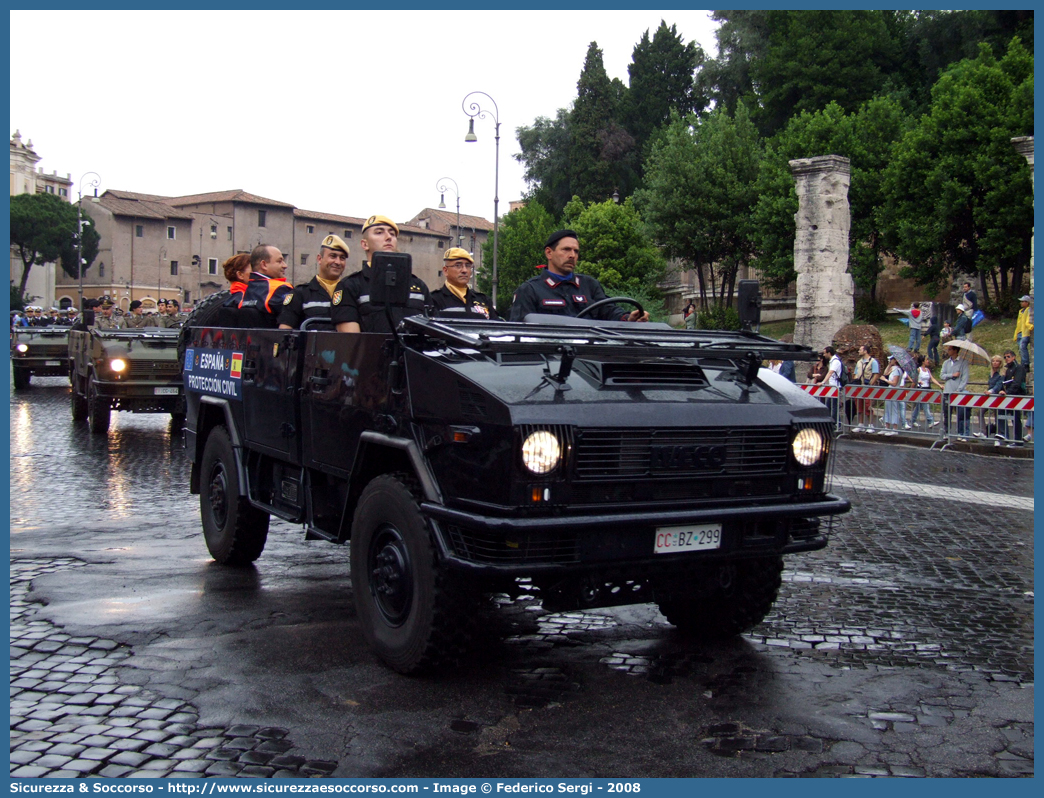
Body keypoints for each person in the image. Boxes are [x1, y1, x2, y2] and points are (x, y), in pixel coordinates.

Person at [508, 229, 650, 323]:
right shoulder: (530, 290)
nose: (572, 255)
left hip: (590, 358)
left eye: (576, 251)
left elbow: (609, 312)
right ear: (549, 253)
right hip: (551, 360)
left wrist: (628, 318)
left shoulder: (590, 285)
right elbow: (519, 334)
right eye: (566, 250)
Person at [332, 215, 430, 333]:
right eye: (379, 232)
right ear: (365, 244)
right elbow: (351, 341)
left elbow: (434, 330)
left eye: (392, 234)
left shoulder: (418, 286)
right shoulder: (350, 286)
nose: (388, 237)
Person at [279, 234, 350, 330]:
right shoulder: (300, 294)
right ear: (319, 259)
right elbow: (285, 330)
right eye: (333, 256)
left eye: (342, 258)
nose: (338, 262)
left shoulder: (350, 292)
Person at [429, 247, 499, 320]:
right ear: (445, 270)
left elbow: (497, 327)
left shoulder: (483, 300)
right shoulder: (434, 300)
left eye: (468, 266)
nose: (464, 270)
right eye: (458, 265)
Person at [239, 245, 294, 328]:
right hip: (274, 338)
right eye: (279, 261)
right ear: (264, 265)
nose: (285, 265)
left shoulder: (246, 290)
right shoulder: (280, 288)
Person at [932, 345, 970, 440]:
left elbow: (964, 378)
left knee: (960, 413)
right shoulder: (946, 363)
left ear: (955, 350)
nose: (948, 351)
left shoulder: (963, 363)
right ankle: (947, 432)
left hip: (958, 392)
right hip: (947, 391)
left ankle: (961, 433)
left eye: (950, 349)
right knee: (947, 413)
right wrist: (952, 375)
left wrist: (959, 389)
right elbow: (942, 375)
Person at [998, 349, 1028, 446]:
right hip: (1009, 395)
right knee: (1003, 413)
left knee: (1016, 418)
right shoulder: (1008, 369)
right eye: (1005, 357)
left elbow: (1017, 382)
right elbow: (1006, 382)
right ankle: (1004, 434)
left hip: (1017, 395)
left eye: (1008, 356)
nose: (1006, 359)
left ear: (1013, 357)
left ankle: (1017, 440)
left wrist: (1008, 392)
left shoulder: (1019, 368)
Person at [852, 344, 880, 433]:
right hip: (859, 386)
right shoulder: (859, 362)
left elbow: (876, 374)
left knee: (868, 406)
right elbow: (856, 373)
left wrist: (871, 383)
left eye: (860, 350)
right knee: (859, 405)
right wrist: (856, 380)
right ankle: (861, 424)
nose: (859, 351)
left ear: (865, 351)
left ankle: (870, 425)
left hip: (867, 387)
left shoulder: (873, 361)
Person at [881, 355, 908, 435]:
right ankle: (887, 426)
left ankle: (895, 428)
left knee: (894, 409)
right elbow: (885, 373)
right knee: (887, 408)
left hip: (894, 390)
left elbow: (894, 383)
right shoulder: (893, 369)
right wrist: (889, 365)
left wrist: (885, 380)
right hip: (890, 391)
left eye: (891, 359)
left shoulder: (897, 370)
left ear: (895, 360)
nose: (890, 360)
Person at [910, 355, 937, 430]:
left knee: (919, 406)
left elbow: (932, 379)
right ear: (923, 361)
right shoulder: (918, 370)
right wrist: (913, 388)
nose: (928, 361)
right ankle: (930, 421)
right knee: (925, 404)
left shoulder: (927, 370)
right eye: (926, 360)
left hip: (927, 389)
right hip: (921, 389)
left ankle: (912, 420)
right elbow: (914, 380)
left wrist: (940, 385)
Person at [1014, 294, 1033, 369]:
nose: (1021, 303)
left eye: (1023, 301)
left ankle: (1026, 363)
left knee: (1022, 346)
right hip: (1020, 332)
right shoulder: (1021, 311)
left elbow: (1028, 321)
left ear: (1027, 302)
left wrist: (1030, 326)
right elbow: (1019, 324)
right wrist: (1016, 333)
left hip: (1025, 332)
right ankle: (1023, 363)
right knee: (1020, 348)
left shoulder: (1029, 310)